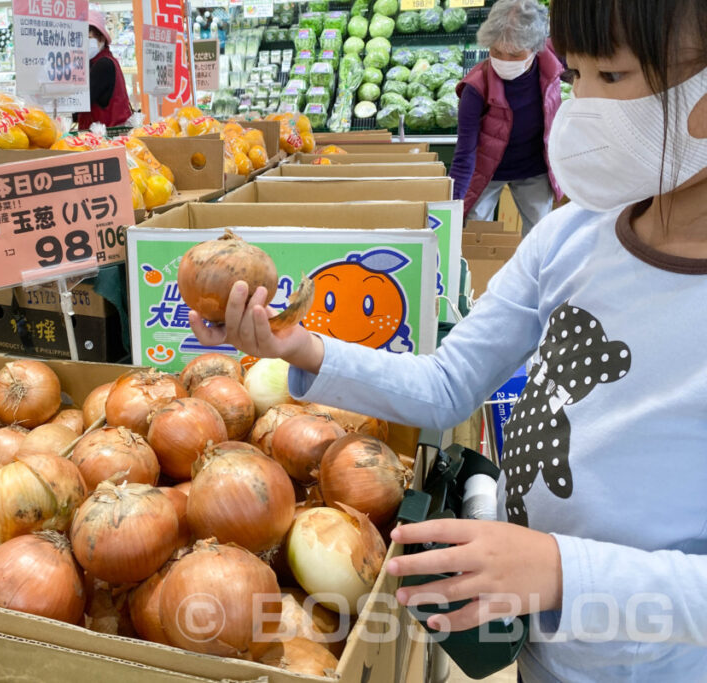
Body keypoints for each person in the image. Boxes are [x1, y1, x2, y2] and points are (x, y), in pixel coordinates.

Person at [190, 0, 707, 679]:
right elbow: (447, 385)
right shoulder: (569, 237)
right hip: (545, 649)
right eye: (575, 76)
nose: (583, 109)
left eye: (611, 77)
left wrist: (561, 569)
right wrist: (300, 347)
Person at [451, 0, 563, 236]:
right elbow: (464, 154)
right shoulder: (475, 89)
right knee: (474, 232)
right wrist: (452, 204)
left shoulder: (552, 62)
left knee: (540, 234)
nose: (505, 61)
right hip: (487, 171)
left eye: (515, 54)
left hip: (535, 168)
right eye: (496, 52)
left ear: (535, 48)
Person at [77, 9, 133, 130]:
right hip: (108, 136)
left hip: (107, 138)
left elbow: (80, 102)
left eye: (88, 37)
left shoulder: (103, 65)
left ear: (102, 38)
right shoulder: (104, 60)